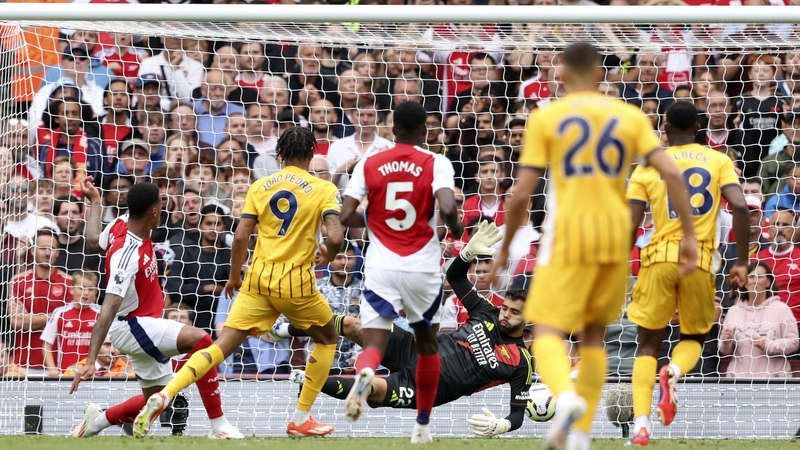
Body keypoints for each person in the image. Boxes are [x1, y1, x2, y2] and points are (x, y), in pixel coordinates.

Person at [492, 43, 697, 450]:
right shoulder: (628, 116)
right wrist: (689, 235)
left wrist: (504, 249)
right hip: (614, 239)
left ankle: (564, 397)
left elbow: (520, 196)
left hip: (567, 234)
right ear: (602, 75)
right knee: (593, 338)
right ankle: (581, 435)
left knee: (547, 329)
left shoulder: (548, 117)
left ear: (562, 76)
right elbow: (672, 173)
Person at [136, 127, 344, 437]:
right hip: (295, 283)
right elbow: (336, 234)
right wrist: (329, 252)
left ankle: (165, 393)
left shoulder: (260, 186)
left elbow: (242, 236)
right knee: (327, 339)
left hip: (257, 279)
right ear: (312, 155)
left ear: (280, 156)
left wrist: (234, 276)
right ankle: (300, 419)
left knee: (221, 346)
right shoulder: (323, 189)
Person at [277, 222, 531, 437]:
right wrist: (466, 254)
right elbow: (455, 278)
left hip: (428, 386)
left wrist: (502, 425)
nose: (505, 314)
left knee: (371, 389)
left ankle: (310, 380)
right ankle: (287, 329)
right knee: (353, 324)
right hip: (414, 348)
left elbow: (518, 414)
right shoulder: (487, 311)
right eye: (505, 308)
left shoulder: (521, 362)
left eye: (514, 312)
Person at [68, 179, 242, 440]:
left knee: (162, 399)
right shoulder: (127, 255)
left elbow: (93, 242)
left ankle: (98, 421)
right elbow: (107, 307)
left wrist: (95, 201)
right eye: (161, 205)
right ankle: (219, 426)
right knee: (204, 341)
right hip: (132, 325)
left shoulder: (123, 222)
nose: (164, 209)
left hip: (143, 324)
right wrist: (91, 360)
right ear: (153, 211)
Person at [625, 101, 750, 446]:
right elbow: (740, 206)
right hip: (700, 260)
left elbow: (632, 223)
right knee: (694, 339)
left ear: (664, 129)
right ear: (698, 128)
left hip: (657, 259)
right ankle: (675, 373)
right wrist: (741, 261)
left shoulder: (648, 165)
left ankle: (640, 425)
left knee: (648, 346)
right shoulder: (718, 159)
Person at [339, 101, 464, 443]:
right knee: (426, 346)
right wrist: (455, 227)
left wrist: (376, 221)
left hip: (381, 265)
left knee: (375, 340)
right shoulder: (436, 162)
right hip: (422, 267)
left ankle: (365, 370)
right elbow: (449, 207)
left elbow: (346, 213)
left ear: (391, 129)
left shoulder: (369, 162)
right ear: (425, 130)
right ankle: (421, 428)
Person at [719, 261, 799, 379]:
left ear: (768, 282)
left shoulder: (782, 309)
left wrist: (767, 345)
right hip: (738, 383)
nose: (755, 281)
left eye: (759, 277)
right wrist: (726, 341)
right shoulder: (733, 311)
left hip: (774, 383)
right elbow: (724, 350)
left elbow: (794, 342)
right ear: (745, 283)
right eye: (751, 277)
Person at [42, 271, 102, 376]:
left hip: (93, 374)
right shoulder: (60, 313)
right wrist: (52, 369)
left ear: (96, 291)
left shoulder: (101, 313)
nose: (86, 293)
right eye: (81, 288)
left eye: (90, 289)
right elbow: (46, 345)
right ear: (71, 289)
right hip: (66, 373)